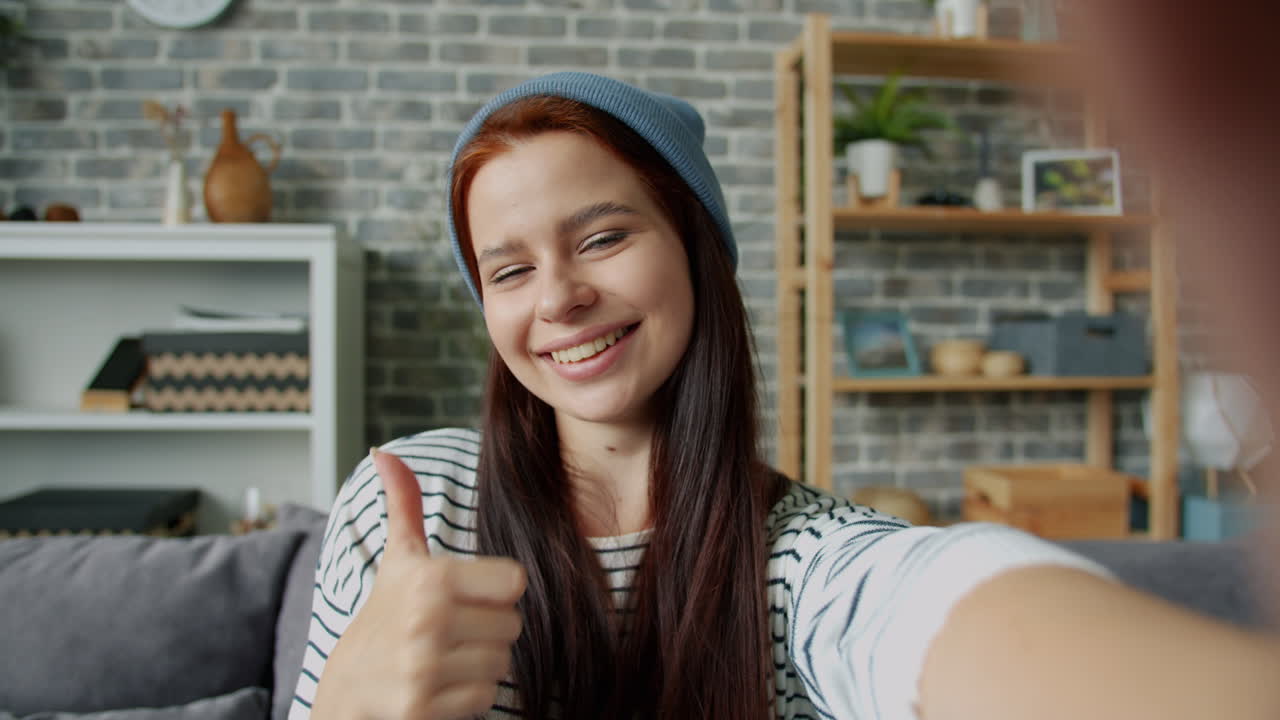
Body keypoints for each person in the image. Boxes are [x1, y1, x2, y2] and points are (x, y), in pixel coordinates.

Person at [290, 72, 1280, 720]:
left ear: (696, 250)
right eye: (507, 271)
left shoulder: (800, 560)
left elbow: (939, 603)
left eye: (600, 238)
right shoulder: (411, 509)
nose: (557, 298)